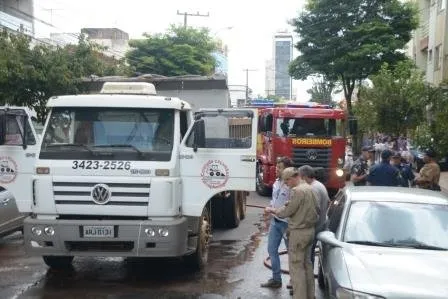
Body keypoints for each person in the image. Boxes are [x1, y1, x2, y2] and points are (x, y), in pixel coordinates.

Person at [266, 167, 319, 299]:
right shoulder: (310, 188)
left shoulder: (297, 191)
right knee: (307, 265)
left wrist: (273, 210)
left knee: (296, 269)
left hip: (299, 233)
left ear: (294, 177)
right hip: (310, 231)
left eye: (287, 181)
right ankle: (310, 296)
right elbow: (313, 207)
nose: (286, 184)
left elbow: (286, 213)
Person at [260, 157, 293, 289]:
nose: (276, 170)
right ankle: (276, 279)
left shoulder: (292, 187)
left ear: (287, 170)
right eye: (277, 167)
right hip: (276, 221)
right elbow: (275, 200)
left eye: (279, 168)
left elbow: (290, 206)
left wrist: (273, 209)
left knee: (292, 253)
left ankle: (293, 280)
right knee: (272, 250)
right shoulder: (276, 183)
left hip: (288, 224)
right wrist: (270, 208)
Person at [297, 165, 329, 266]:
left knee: (308, 255)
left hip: (314, 226)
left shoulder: (313, 188)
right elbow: (328, 202)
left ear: (304, 177)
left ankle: (307, 278)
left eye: (300, 177)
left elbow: (314, 210)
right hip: (320, 223)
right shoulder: (319, 185)